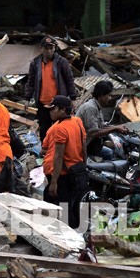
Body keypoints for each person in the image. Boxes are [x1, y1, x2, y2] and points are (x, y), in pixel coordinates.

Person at [42, 95, 87, 229]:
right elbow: (83, 148)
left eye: (53, 109)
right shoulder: (77, 122)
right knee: (69, 205)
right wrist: (84, 166)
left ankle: (65, 236)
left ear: (63, 110)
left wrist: (54, 182)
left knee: (61, 208)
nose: (50, 112)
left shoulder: (59, 129)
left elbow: (58, 156)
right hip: (75, 171)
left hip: (61, 175)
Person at [25, 35, 77, 142]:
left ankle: (60, 152)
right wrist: (27, 98)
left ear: (54, 48)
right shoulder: (35, 63)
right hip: (43, 103)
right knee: (44, 130)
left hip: (58, 104)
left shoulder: (61, 62)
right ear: (41, 48)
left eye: (51, 48)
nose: (49, 51)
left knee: (60, 129)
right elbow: (30, 82)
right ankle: (46, 153)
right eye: (46, 48)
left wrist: (73, 98)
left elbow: (69, 80)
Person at [75, 80, 128, 160]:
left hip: (90, 143)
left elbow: (101, 126)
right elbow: (94, 133)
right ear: (101, 96)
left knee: (110, 152)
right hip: (80, 146)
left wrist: (117, 128)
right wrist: (115, 128)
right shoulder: (91, 108)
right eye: (109, 95)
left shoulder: (97, 107)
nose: (110, 98)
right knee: (109, 154)